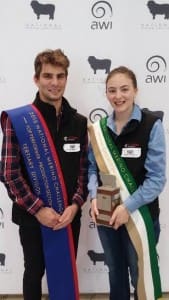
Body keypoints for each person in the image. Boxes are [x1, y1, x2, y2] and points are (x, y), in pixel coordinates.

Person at [0, 49, 88, 300]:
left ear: (66, 79)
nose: (55, 83)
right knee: (34, 272)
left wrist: (75, 204)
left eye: (60, 76)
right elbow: (9, 172)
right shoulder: (19, 120)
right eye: (48, 76)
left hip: (68, 216)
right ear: (36, 79)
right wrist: (39, 209)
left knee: (65, 273)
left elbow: (84, 169)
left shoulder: (79, 122)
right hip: (32, 217)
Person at [88, 66, 166, 300]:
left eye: (124, 89)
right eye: (112, 90)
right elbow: (92, 168)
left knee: (140, 276)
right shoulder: (99, 129)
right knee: (115, 272)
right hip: (104, 210)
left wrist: (127, 208)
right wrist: (93, 196)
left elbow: (156, 179)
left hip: (140, 213)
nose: (118, 96)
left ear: (135, 90)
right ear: (106, 94)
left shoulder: (152, 125)